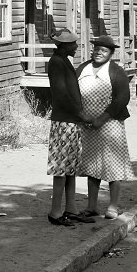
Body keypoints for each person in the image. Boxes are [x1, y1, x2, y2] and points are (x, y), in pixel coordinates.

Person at [76, 35, 134, 220]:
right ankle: (91, 206)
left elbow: (121, 99)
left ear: (110, 54)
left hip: (110, 124)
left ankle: (112, 206)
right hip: (87, 124)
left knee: (112, 165)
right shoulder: (83, 68)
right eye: (97, 50)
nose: (99, 53)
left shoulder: (116, 72)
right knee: (92, 165)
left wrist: (102, 118)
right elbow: (74, 93)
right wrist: (82, 116)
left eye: (104, 51)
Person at [45, 29, 92, 227]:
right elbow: (62, 95)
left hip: (71, 121)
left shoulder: (64, 61)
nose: (76, 46)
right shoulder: (56, 63)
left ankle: (70, 209)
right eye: (72, 44)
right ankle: (55, 212)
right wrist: (81, 114)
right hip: (64, 121)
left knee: (70, 168)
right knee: (61, 169)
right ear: (64, 46)